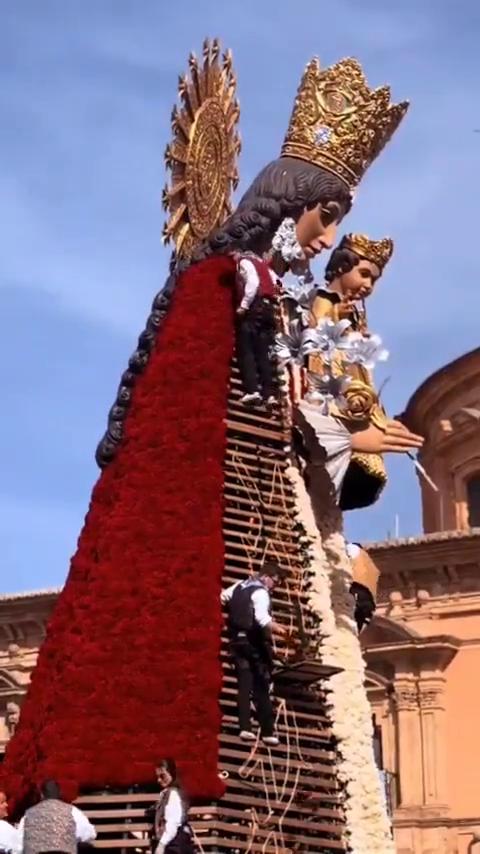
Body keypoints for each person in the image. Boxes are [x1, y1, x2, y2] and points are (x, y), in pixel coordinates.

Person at [221, 563, 290, 746]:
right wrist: (279, 629)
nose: (275, 586)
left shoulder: (240, 585)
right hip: (254, 644)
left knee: (244, 685)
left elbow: (223, 597)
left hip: (237, 642)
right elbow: (261, 618)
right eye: (276, 582)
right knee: (262, 685)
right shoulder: (261, 593)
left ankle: (245, 728)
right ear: (267, 576)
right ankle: (267, 732)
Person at [234, 253, 279, 406]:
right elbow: (277, 284)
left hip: (255, 308)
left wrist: (243, 306)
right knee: (263, 353)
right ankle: (269, 394)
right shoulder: (266, 268)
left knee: (246, 349)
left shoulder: (245, 262)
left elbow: (252, 283)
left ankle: (252, 390)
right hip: (269, 310)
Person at [17, 779, 96, 854]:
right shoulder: (72, 811)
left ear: (42, 795)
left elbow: (20, 840)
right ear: (60, 793)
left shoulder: (29, 814)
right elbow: (89, 834)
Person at [149, 759, 195, 854]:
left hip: (175, 844)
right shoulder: (168, 794)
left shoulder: (173, 794)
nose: (159, 780)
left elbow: (173, 822)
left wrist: (162, 844)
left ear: (172, 773)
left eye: (163, 776)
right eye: (157, 777)